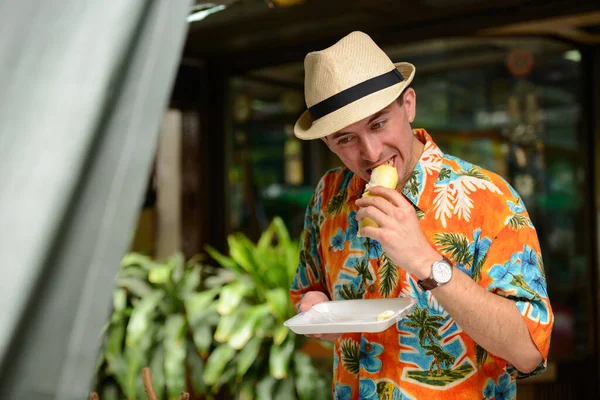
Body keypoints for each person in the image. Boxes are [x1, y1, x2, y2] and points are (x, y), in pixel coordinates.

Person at [289, 31, 553, 399]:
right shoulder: (328, 196)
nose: (371, 152)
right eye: (345, 139)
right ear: (326, 143)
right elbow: (309, 288)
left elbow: (528, 352)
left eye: (378, 123)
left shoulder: (488, 198)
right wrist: (314, 309)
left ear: (408, 105)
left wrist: (427, 262)